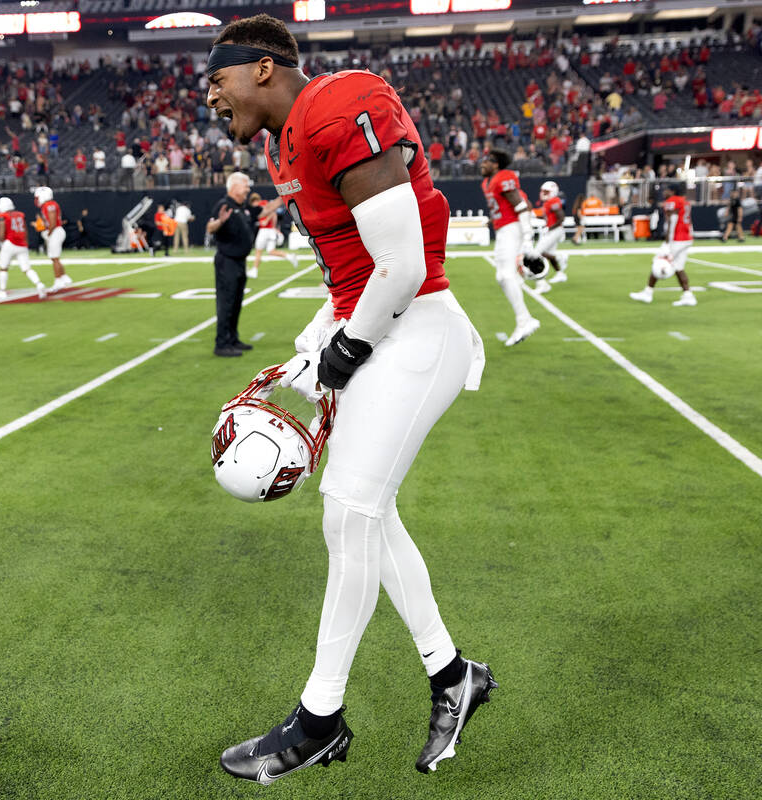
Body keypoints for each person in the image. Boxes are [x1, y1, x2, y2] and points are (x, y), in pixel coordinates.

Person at [205, 14, 494, 784]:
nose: (211, 97)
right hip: (380, 327)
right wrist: (314, 345)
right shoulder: (288, 139)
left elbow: (400, 267)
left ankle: (319, 719)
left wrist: (344, 351)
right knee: (367, 514)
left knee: (349, 512)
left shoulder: (338, 106)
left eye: (218, 79)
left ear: (263, 68)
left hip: (419, 329)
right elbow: (352, 273)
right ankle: (452, 674)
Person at [481, 149, 542, 346]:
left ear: (496, 164)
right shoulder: (486, 182)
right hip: (503, 229)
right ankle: (524, 318)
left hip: (511, 229)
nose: (482, 163)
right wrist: (493, 219)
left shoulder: (503, 177)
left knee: (505, 276)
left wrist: (527, 237)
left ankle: (525, 320)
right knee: (504, 276)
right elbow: (505, 207)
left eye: (487, 161)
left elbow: (522, 206)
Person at [205, 170, 256, 357]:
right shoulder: (224, 204)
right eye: (245, 185)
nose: (248, 189)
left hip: (239, 261)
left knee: (235, 303)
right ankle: (222, 343)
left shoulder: (240, 206)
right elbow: (210, 227)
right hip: (227, 261)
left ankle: (233, 338)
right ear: (234, 186)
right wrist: (220, 221)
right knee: (226, 303)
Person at [631, 183, 697, 306]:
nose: (664, 192)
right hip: (686, 238)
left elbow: (673, 221)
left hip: (676, 239)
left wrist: (668, 241)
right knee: (678, 267)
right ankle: (688, 295)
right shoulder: (684, 201)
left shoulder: (673, 201)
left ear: (672, 191)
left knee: (658, 261)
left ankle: (647, 293)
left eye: (667, 190)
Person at [0, 196, 47, 300]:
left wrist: (1, 242)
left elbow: (1, 233)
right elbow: (25, 230)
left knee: (3, 268)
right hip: (22, 244)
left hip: (9, 243)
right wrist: (25, 242)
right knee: (27, 269)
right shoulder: (20, 215)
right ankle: (39, 284)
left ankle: (2, 291)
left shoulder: (3, 216)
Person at [529, 181, 569, 293]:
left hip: (555, 230)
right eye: (542, 191)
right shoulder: (548, 202)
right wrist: (534, 215)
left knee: (535, 254)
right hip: (553, 230)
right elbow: (547, 217)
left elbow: (561, 218)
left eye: (545, 191)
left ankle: (541, 284)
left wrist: (550, 228)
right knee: (547, 254)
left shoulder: (554, 201)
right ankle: (560, 273)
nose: (542, 193)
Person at [248, 191, 298, 278]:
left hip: (264, 230)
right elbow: (274, 214)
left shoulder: (261, 204)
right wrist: (274, 227)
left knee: (258, 251)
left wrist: (266, 221)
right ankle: (289, 256)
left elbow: (272, 213)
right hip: (270, 230)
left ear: (254, 201)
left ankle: (254, 270)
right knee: (271, 251)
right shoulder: (264, 203)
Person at [34, 186, 72, 292]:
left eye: (37, 197)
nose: (36, 200)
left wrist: (48, 233)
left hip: (55, 231)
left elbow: (53, 222)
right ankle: (64, 277)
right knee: (55, 258)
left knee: (55, 258)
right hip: (56, 231)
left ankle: (58, 281)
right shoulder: (48, 204)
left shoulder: (49, 204)